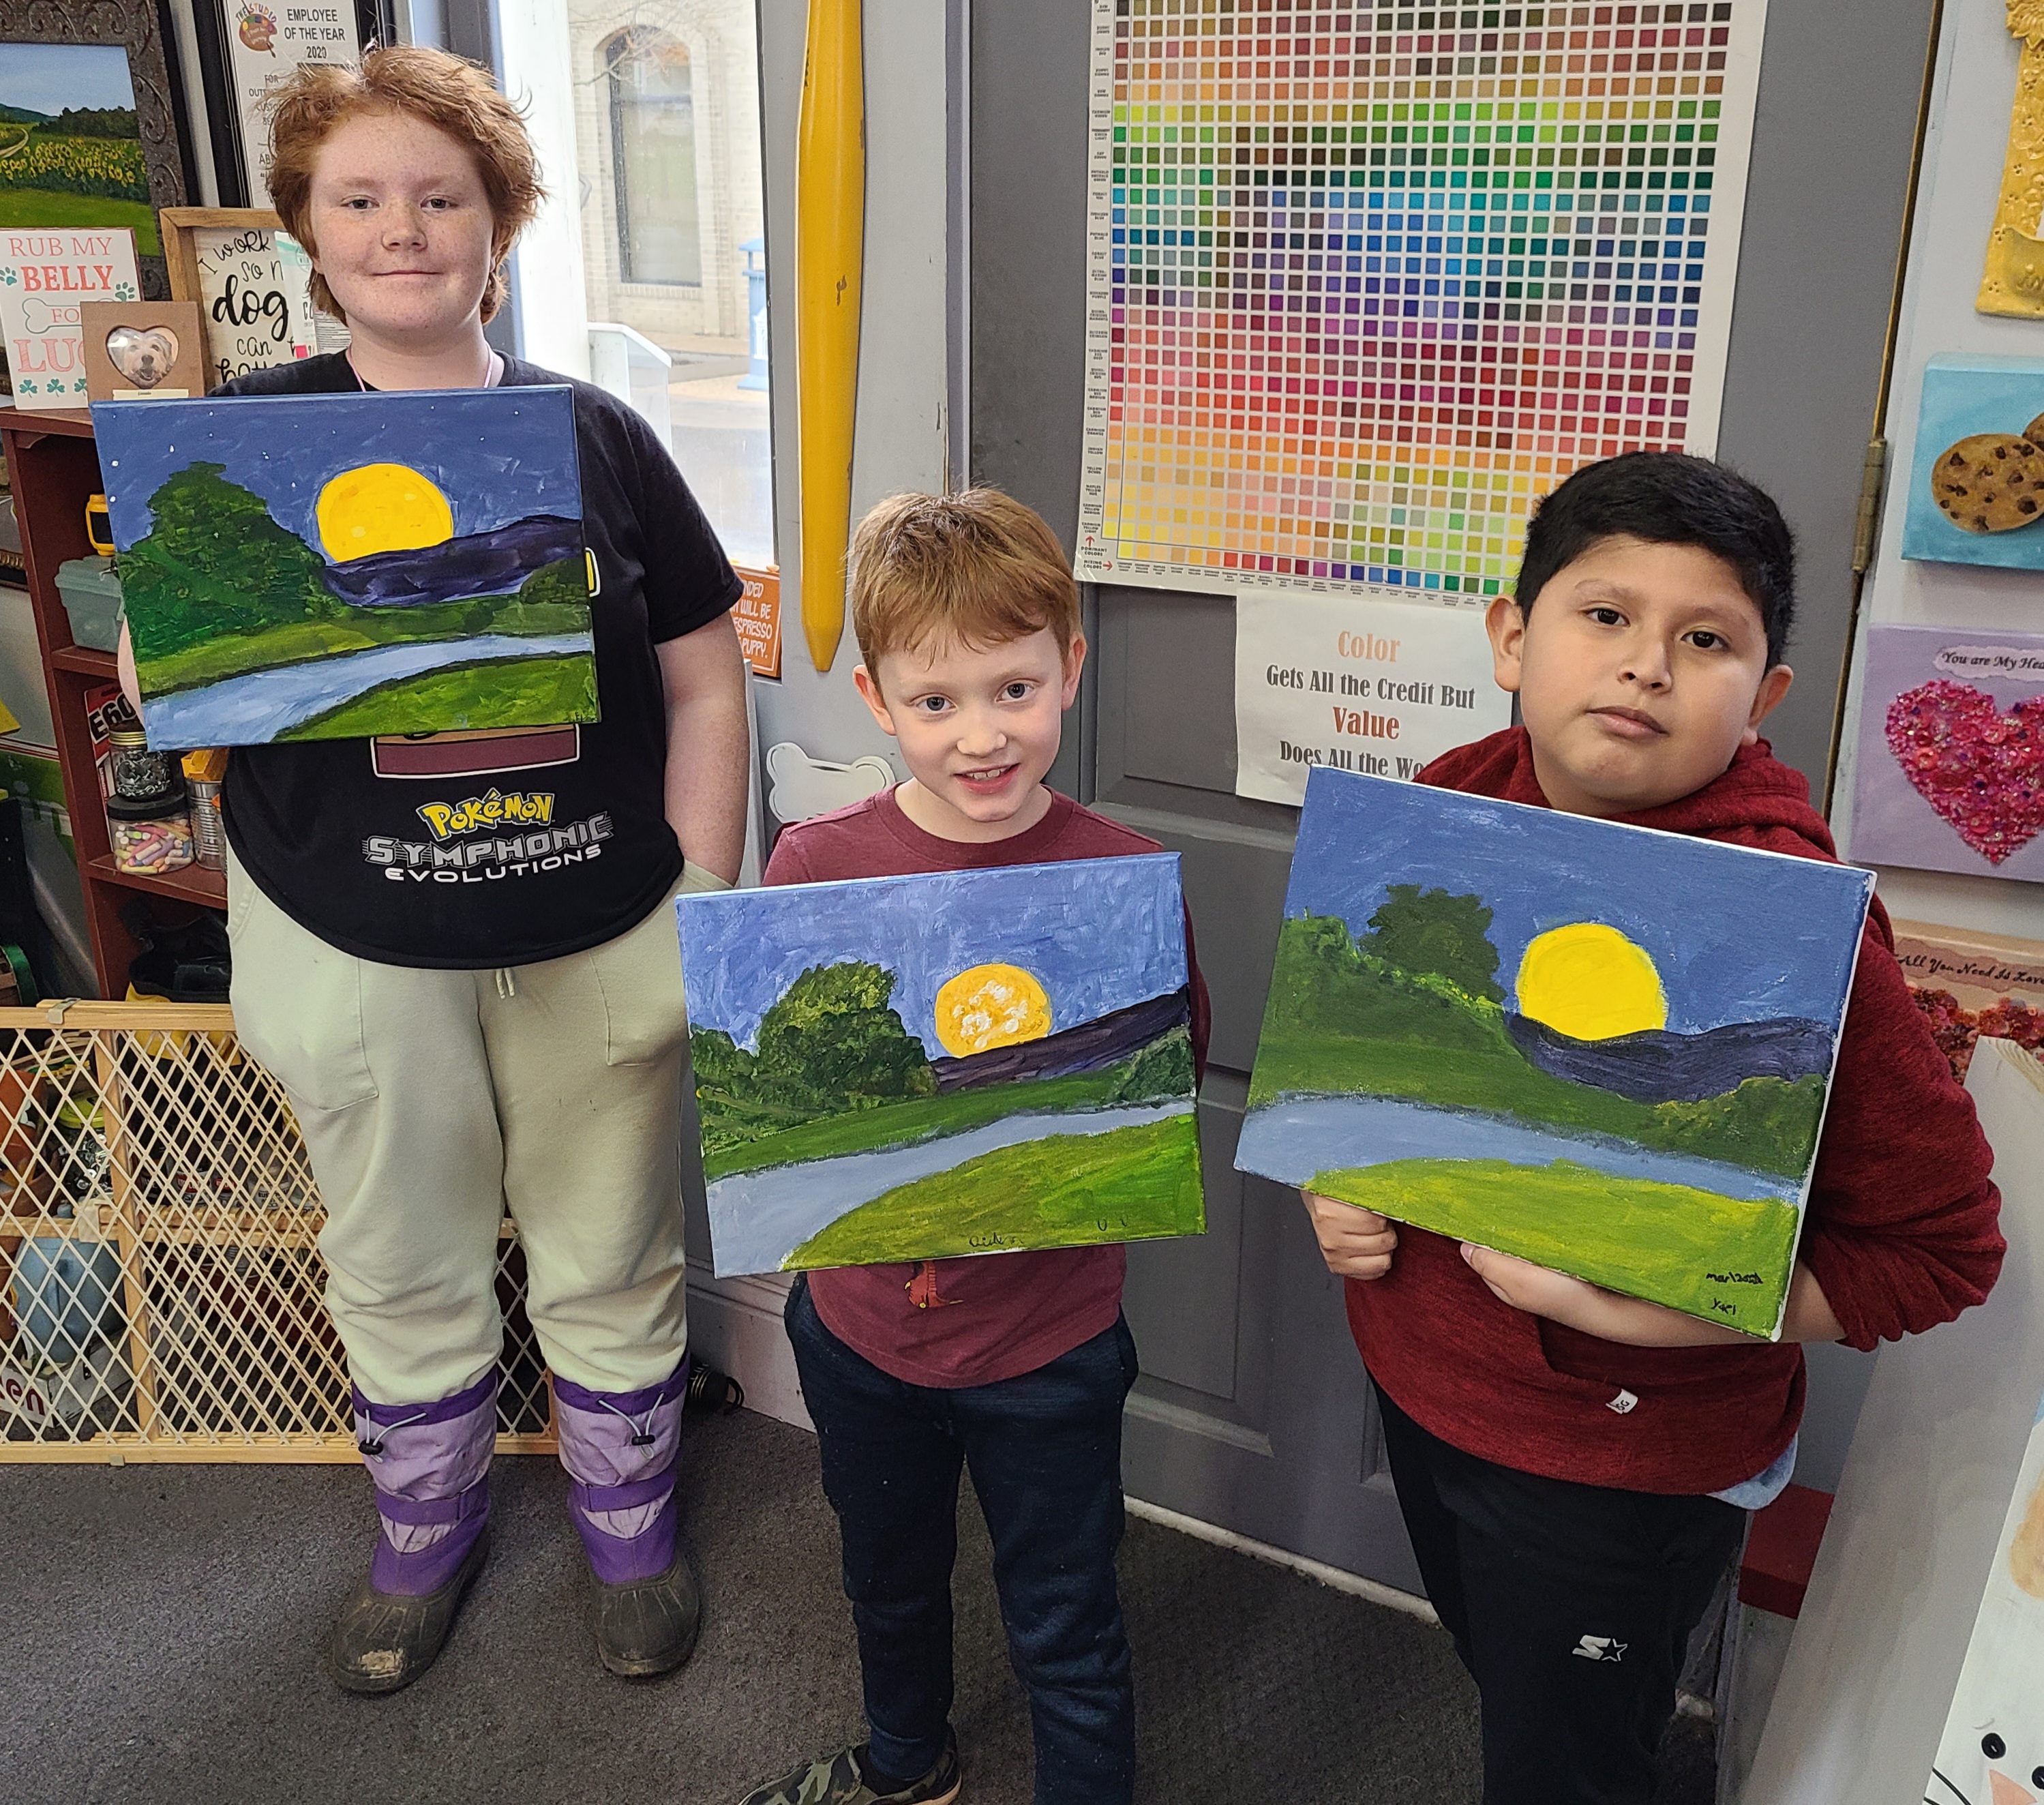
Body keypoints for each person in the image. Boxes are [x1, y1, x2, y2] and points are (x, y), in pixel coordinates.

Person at [117, 47, 751, 1691]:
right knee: (396, 1245)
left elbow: (702, 677)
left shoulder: (595, 435)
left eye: (440, 197)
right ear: (309, 235)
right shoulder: (233, 444)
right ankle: (424, 1526)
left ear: (498, 225)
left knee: (608, 1237)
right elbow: (171, 689)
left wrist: (699, 888)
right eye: (360, 199)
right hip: (347, 925)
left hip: (596, 914)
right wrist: (171, 643)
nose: (402, 230)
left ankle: (629, 1517)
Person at [1297, 452, 2004, 1804]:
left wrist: (1633, 1311)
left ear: (1764, 695)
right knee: (1519, 1692)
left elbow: (1938, 1253)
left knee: (1567, 1762)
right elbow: (1361, 1058)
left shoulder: (1790, 918)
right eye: (1605, 615)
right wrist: (1335, 1178)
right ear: (1512, 638)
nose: (1642, 664)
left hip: (1622, 1464)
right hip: (1426, 1385)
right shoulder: (1446, 798)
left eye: (1703, 640)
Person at [734, 490, 1209, 1805]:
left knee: (1065, 1608)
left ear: (1070, 669)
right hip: (860, 1330)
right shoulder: (815, 867)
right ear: (877, 702)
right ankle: (907, 1764)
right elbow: (780, 1089)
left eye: (1014, 689)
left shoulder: (1119, 875)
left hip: (1049, 1338)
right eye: (935, 700)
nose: (982, 734)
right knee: (884, 1574)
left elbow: (1160, 1083)